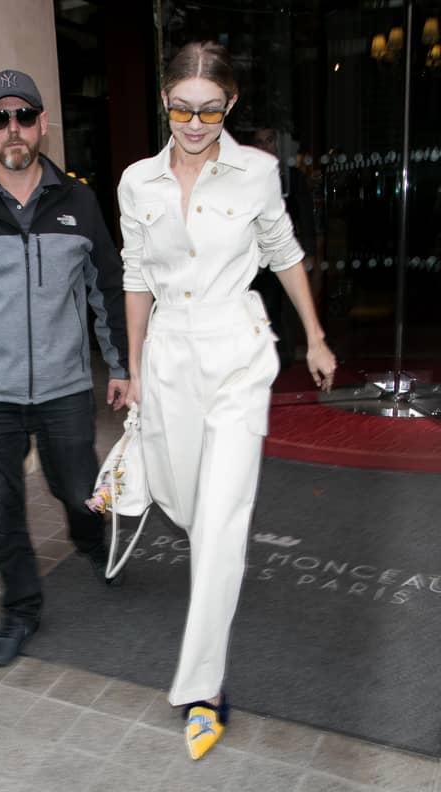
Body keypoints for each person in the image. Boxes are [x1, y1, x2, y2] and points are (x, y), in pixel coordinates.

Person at [118, 41, 336, 760]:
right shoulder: (137, 183)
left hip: (239, 349)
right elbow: (135, 277)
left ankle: (201, 689)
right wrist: (136, 368)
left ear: (231, 105)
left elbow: (284, 251)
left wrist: (314, 336)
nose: (195, 122)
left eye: (210, 109)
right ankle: (205, 622)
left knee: (221, 522)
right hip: (170, 356)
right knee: (184, 503)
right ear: (164, 102)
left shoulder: (258, 173)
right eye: (182, 107)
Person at [0, 70, 129, 666]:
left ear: (41, 125)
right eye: (2, 118)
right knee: (2, 512)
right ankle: (20, 609)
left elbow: (107, 289)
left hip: (63, 388)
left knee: (80, 491)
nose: (15, 128)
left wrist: (120, 365)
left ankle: (90, 539)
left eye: (26, 116)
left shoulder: (79, 202)